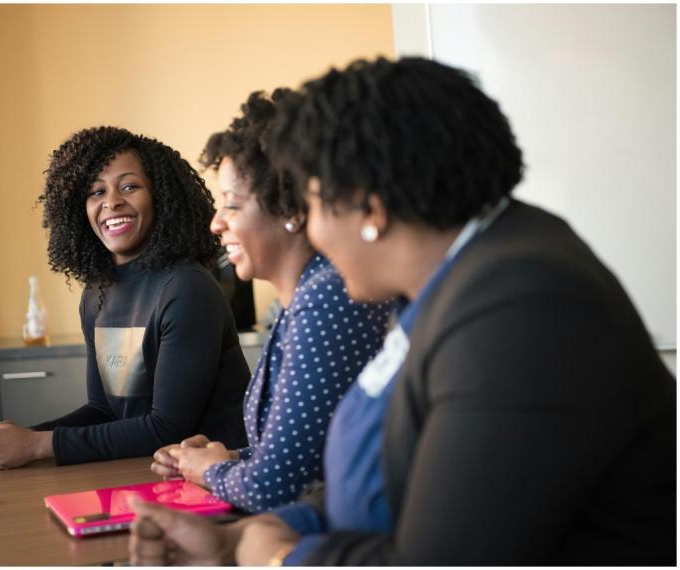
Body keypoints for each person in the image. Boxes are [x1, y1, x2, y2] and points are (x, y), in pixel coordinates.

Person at [127, 57, 676, 565]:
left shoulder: (521, 305)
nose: (312, 232)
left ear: (370, 208)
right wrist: (234, 538)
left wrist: (280, 557)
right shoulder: (460, 280)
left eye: (314, 205)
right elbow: (389, 481)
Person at [149, 89, 393, 513]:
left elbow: (274, 489)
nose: (216, 222)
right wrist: (222, 460)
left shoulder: (326, 298)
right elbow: (305, 458)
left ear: (290, 209)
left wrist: (209, 472)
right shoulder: (303, 297)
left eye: (232, 204)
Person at [0, 126, 250, 469]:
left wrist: (36, 445)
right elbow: (104, 410)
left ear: (161, 197)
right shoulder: (97, 292)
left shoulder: (186, 287)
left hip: (214, 483)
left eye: (130, 186)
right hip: (138, 471)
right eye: (96, 192)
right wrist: (23, 436)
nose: (111, 202)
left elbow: (166, 427)